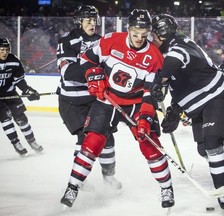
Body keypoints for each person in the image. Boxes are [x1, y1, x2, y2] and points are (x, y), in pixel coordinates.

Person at [60, 9, 175, 209]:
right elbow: (87, 59)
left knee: (149, 144)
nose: (139, 38)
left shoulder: (155, 57)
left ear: (149, 32)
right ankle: (73, 186)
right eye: (135, 32)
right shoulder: (110, 40)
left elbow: (149, 93)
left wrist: (145, 117)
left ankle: (167, 188)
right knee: (92, 142)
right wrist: (93, 75)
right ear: (128, 29)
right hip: (108, 100)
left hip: (136, 105)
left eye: (144, 33)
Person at [150, 14, 224, 210]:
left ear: (161, 33)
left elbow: (175, 63)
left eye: (153, 33)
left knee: (212, 146)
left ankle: (223, 190)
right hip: (200, 101)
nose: (151, 37)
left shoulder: (178, 45)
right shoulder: (167, 50)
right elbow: (182, 84)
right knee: (203, 148)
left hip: (214, 97)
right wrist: (174, 110)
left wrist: (159, 81)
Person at [56, 5, 121, 190]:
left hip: (95, 99)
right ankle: (80, 180)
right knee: (84, 138)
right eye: (88, 20)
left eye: (94, 20)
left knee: (107, 138)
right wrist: (92, 69)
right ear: (79, 21)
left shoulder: (102, 42)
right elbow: (67, 72)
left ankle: (109, 177)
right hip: (71, 101)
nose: (93, 23)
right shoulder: (67, 40)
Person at [0, 38, 43, 156]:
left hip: (10, 93)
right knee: (6, 119)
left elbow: (19, 81)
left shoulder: (13, 61)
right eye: (2, 50)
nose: (5, 53)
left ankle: (32, 141)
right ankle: (16, 143)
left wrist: (28, 90)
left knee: (22, 118)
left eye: (7, 50)